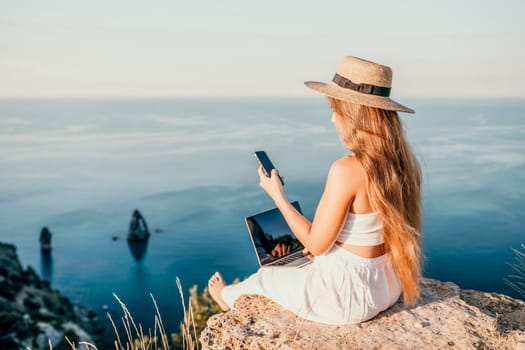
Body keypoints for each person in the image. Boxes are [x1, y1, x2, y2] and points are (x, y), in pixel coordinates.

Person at [208, 55, 422, 325]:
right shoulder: (402, 164)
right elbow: (362, 234)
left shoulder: (346, 170)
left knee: (267, 277)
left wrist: (277, 195)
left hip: (348, 299)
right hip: (387, 287)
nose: (333, 120)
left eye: (336, 110)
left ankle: (226, 297)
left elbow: (317, 245)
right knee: (300, 264)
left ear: (354, 115)